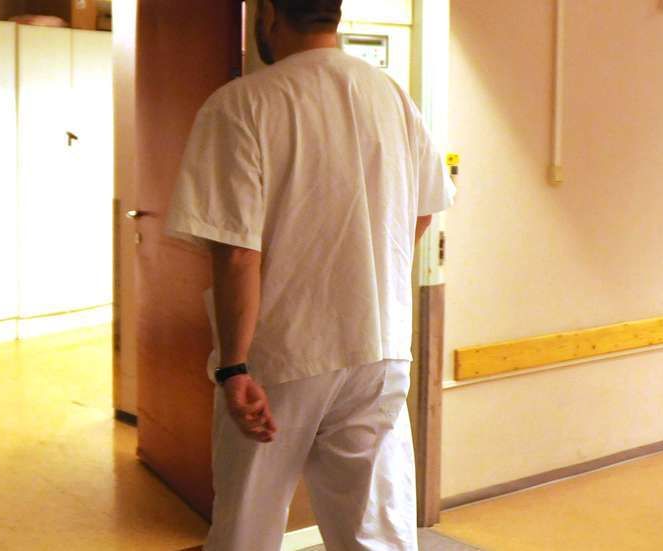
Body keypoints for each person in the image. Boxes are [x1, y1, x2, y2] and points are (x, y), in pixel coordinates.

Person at [165, 0, 456, 549]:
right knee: (374, 531)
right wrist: (367, 272)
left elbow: (237, 253)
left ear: (270, 14)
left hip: (281, 357)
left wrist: (234, 367)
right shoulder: (390, 96)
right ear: (334, 14)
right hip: (378, 348)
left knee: (248, 527)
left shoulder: (243, 104)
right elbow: (423, 210)